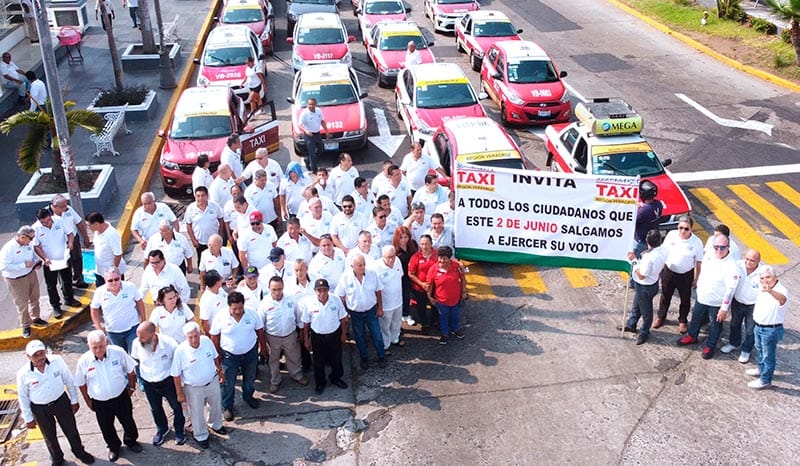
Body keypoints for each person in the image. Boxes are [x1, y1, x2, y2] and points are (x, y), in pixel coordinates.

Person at [17, 340, 95, 466]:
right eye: (35, 355)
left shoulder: (57, 361)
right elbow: (23, 397)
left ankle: (79, 452)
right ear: (28, 357)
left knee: (71, 430)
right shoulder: (23, 374)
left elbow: (68, 380)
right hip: (40, 408)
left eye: (41, 353)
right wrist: (28, 417)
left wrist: (74, 400)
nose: (40, 357)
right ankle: (57, 458)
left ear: (45, 352)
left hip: (60, 402)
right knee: (49, 436)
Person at [74, 330, 141, 462]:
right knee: (106, 426)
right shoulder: (84, 361)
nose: (99, 350)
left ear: (106, 342)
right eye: (95, 347)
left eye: (101, 346)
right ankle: (114, 447)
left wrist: (132, 387)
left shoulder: (118, 352)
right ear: (89, 346)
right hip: (100, 402)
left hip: (121, 396)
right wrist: (88, 401)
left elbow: (131, 371)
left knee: (128, 421)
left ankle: (131, 441)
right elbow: (81, 383)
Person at [677, 233, 740, 359]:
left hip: (717, 302)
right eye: (716, 247)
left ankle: (710, 346)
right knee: (696, 317)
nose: (719, 250)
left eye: (722, 248)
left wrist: (724, 308)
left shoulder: (732, 266)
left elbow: (730, 290)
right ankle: (692, 336)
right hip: (702, 297)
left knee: (715, 325)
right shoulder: (709, 255)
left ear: (728, 247)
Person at [209, 291, 268, 421]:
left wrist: (263, 348)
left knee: (250, 378)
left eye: (240, 308)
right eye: (234, 308)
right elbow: (215, 335)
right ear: (229, 306)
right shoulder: (221, 316)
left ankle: (248, 397)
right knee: (228, 383)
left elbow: (260, 331)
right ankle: (227, 406)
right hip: (229, 356)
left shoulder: (252, 314)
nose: (238, 311)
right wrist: (217, 354)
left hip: (250, 353)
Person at [170, 322, 226, 449]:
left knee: (216, 405)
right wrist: (180, 393)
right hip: (193, 388)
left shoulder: (206, 341)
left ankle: (215, 425)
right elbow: (176, 374)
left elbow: (215, 357)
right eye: (191, 337)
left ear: (200, 333)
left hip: (212, 381)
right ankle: (201, 435)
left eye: (196, 336)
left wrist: (219, 371)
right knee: (196, 412)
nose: (194, 340)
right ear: (186, 337)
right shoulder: (180, 351)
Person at [130, 322, 186, 446]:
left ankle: (180, 430)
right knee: (155, 408)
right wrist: (141, 380)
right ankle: (162, 429)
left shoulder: (170, 344)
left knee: (176, 407)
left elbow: (178, 364)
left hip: (167, 382)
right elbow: (136, 361)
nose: (140, 340)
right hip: (149, 383)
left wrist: (179, 385)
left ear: (153, 334)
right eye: (138, 336)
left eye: (143, 337)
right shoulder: (136, 344)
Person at [259, 276, 309, 393]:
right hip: (272, 337)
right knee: (273, 360)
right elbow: (260, 326)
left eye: (279, 289)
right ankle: (275, 381)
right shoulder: (264, 304)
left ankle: (297, 375)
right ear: (269, 289)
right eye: (274, 289)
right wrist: (262, 344)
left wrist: (301, 334)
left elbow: (298, 318)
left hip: (290, 334)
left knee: (294, 357)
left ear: (283, 288)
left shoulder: (291, 300)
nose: (277, 292)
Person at [336, 255, 385, 369]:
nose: (363, 267)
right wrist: (344, 314)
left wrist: (380, 307)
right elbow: (341, 296)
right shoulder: (345, 277)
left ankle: (381, 356)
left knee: (377, 334)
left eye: (364, 264)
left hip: (371, 310)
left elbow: (378, 290)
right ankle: (364, 358)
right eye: (359, 265)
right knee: (359, 336)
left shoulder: (372, 274)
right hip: (355, 313)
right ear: (352, 266)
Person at [301, 278, 349, 395]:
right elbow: (306, 324)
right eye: (319, 290)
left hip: (334, 334)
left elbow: (343, 318)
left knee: (336, 359)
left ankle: (336, 378)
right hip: (318, 337)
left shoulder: (336, 300)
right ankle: (320, 383)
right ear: (315, 291)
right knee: (318, 362)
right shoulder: (309, 303)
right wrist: (306, 340)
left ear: (328, 290)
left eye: (324, 290)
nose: (322, 293)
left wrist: (343, 334)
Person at [656, 216, 703, 333]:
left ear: (691, 229)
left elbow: (698, 262)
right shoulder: (671, 235)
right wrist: (658, 271)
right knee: (665, 296)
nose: (682, 231)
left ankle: (682, 321)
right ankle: (661, 316)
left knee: (685, 299)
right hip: (669, 271)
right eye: (680, 228)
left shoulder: (697, 242)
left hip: (686, 275)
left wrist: (697, 279)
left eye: (686, 229)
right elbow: (663, 252)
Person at [619, 230, 666, 345]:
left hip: (644, 286)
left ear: (647, 241)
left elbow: (641, 275)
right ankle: (631, 324)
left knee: (646, 312)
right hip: (652, 284)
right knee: (636, 305)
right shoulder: (663, 251)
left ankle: (644, 332)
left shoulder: (649, 258)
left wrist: (634, 261)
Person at [746, 266, 789, 390]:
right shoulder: (761, 287)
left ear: (775, 277)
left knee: (768, 356)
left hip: (770, 330)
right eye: (762, 278)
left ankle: (765, 380)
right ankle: (760, 369)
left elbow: (782, 299)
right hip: (759, 326)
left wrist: (770, 291)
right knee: (760, 350)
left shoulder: (781, 290)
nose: (765, 280)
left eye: (768, 277)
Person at [33, 208, 81, 317]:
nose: (47, 223)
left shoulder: (59, 220)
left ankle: (69, 298)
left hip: (63, 257)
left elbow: (70, 234)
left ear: (51, 217)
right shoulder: (35, 229)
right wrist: (44, 258)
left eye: (48, 220)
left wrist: (71, 243)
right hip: (49, 262)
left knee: (67, 280)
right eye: (43, 222)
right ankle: (56, 305)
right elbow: (36, 246)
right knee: (51, 285)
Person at [1, 227, 45, 338]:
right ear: (22, 237)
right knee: (22, 303)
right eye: (31, 238)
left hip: (30, 274)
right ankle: (25, 324)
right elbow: (3, 266)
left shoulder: (28, 244)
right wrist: (23, 265)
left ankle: (36, 317)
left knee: (35, 297)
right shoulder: (9, 248)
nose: (32, 240)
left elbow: (33, 256)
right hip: (16, 279)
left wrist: (36, 262)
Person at [721, 249, 763, 363]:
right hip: (738, 302)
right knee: (734, 324)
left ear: (758, 261)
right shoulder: (738, 266)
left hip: (753, 305)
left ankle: (746, 350)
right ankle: (734, 343)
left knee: (750, 329)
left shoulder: (763, 272)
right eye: (747, 259)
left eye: (752, 260)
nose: (748, 262)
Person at [90, 267, 145, 352]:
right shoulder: (99, 292)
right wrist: (99, 327)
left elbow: (139, 302)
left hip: (132, 328)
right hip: (113, 332)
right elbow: (94, 309)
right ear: (105, 279)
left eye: (116, 279)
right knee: (120, 356)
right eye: (110, 280)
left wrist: (143, 320)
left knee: (134, 356)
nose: (114, 282)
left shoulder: (130, 287)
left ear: (120, 277)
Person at [426, 246, 467, 345]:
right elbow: (429, 285)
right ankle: (444, 334)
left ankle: (455, 329)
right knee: (443, 317)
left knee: (455, 316)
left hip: (455, 299)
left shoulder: (457, 267)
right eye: (440, 258)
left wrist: (464, 292)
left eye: (444, 258)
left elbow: (463, 280)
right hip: (441, 301)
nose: (441, 261)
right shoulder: (433, 269)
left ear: (450, 258)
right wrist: (429, 296)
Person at [50, 194, 91, 289]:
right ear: (54, 206)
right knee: (63, 265)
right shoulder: (47, 215)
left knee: (77, 260)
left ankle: (79, 280)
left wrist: (85, 237)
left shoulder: (68, 209)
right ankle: (65, 285)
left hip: (73, 239)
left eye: (66, 205)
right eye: (63, 206)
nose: (66, 208)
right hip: (59, 243)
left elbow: (79, 222)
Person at [373, 245, 404, 352]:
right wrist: (379, 307)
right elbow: (376, 288)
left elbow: (400, 275)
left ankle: (395, 338)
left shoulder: (397, 261)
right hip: (385, 304)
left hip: (398, 301)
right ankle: (385, 345)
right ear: (383, 257)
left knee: (396, 322)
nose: (391, 260)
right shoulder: (376, 267)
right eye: (388, 257)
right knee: (384, 326)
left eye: (393, 256)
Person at [86, 212, 126, 286]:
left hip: (112, 274)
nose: (88, 228)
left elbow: (118, 255)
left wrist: (112, 272)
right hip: (100, 270)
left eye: (89, 225)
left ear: (96, 224)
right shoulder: (96, 232)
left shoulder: (112, 235)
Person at [184, 186, 224, 258]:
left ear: (207, 196)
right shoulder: (190, 208)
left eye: (203, 196)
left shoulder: (214, 206)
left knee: (216, 259)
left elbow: (221, 219)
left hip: (214, 241)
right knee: (202, 262)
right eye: (198, 196)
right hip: (200, 242)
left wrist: (220, 234)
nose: (200, 198)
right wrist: (193, 240)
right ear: (195, 196)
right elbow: (188, 224)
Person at [408, 234, 437, 333]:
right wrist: (421, 284)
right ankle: (424, 324)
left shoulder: (437, 255)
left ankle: (434, 322)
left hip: (434, 287)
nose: (424, 246)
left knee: (435, 306)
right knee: (421, 307)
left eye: (427, 244)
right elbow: (410, 273)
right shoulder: (415, 257)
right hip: (420, 288)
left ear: (431, 244)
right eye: (422, 244)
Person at [393, 225, 417, 326]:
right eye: (401, 237)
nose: (403, 240)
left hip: (413, 275)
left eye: (405, 237)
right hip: (402, 277)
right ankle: (405, 314)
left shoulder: (413, 246)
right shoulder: (395, 250)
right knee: (405, 296)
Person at [631, 180, 663, 259]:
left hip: (641, 241)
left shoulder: (643, 211)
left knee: (634, 260)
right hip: (653, 239)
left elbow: (632, 221)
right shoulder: (659, 204)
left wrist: (638, 208)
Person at [298, 97, 329, 172]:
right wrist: (306, 130)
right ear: (307, 104)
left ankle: (308, 160)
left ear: (315, 104)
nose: (311, 106)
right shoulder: (304, 113)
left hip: (317, 134)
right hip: (309, 135)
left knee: (321, 149)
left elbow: (322, 121)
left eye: (312, 104)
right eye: (309, 104)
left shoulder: (318, 111)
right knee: (312, 152)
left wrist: (326, 131)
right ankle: (314, 170)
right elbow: (300, 124)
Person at [198, 270, 228, 334]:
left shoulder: (220, 290)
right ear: (217, 283)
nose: (222, 279)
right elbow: (204, 323)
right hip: (217, 332)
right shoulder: (206, 300)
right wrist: (212, 337)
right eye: (220, 279)